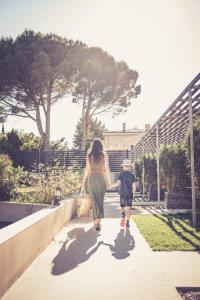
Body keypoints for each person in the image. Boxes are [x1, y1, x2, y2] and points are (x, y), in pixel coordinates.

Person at [81, 138, 111, 231]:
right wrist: (109, 182)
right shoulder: (104, 155)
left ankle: (96, 223)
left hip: (92, 179)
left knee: (94, 202)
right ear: (101, 146)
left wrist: (83, 182)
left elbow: (87, 169)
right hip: (101, 180)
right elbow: (107, 170)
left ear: (93, 146)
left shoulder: (90, 155)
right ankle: (98, 222)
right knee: (100, 201)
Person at [111, 159, 136, 228]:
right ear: (130, 167)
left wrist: (111, 186)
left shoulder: (121, 174)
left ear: (123, 167)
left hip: (122, 193)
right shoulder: (132, 175)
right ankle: (127, 222)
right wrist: (133, 194)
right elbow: (134, 186)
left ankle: (123, 215)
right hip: (130, 194)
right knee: (129, 208)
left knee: (122, 206)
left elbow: (118, 183)